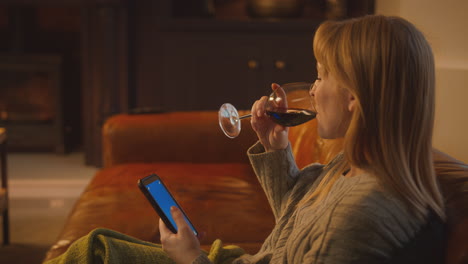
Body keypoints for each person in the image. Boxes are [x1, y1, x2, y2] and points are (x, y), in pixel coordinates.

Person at [45, 14, 448, 264]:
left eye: (321, 75)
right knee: (95, 247)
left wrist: (190, 259)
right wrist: (276, 149)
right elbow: (297, 223)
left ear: (354, 98)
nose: (313, 88)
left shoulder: (365, 213)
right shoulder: (355, 165)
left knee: (91, 254)